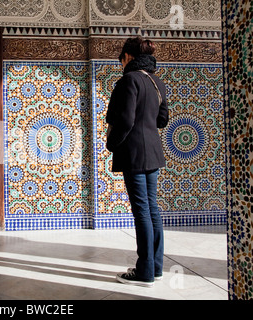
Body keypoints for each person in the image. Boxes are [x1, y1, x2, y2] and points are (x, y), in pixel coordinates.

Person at [106, 36, 169, 287]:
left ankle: (144, 272)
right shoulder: (158, 83)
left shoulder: (129, 80)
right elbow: (162, 120)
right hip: (153, 153)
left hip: (134, 154)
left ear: (128, 57)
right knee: (152, 209)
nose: (121, 64)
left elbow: (126, 120)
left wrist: (111, 143)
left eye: (121, 59)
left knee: (142, 211)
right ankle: (155, 266)